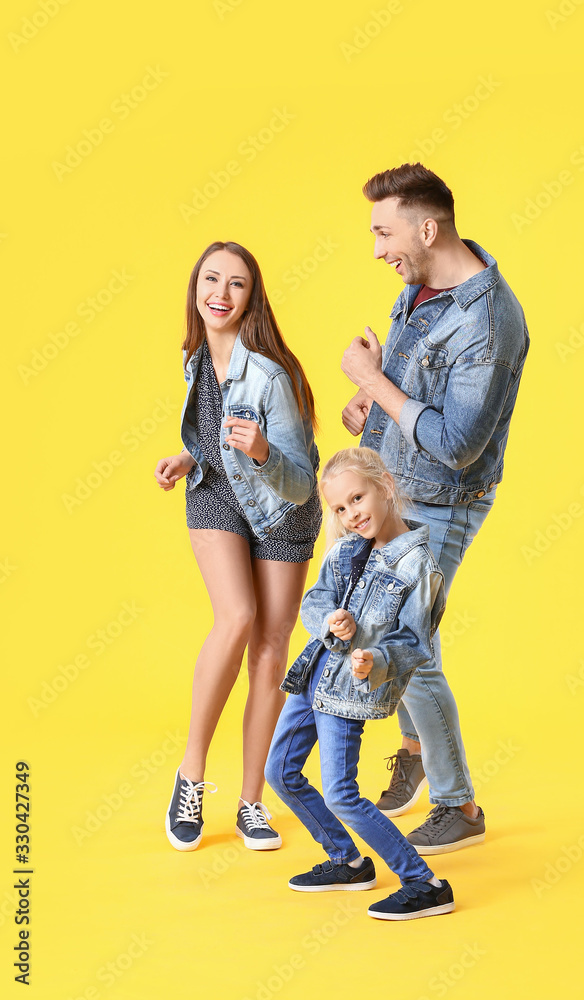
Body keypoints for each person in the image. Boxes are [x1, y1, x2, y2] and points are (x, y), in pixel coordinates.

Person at [340, 163, 529, 854]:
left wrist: (374, 383)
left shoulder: (490, 320)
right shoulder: (419, 284)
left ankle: (460, 806)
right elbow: (413, 389)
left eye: (383, 232)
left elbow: (454, 445)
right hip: (393, 482)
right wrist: (370, 396)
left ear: (427, 227)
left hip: (441, 500)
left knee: (404, 649)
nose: (376, 248)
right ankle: (419, 745)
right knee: (390, 633)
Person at [154, 240, 321, 852]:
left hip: (282, 507)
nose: (219, 295)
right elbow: (209, 439)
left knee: (271, 648)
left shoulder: (272, 375)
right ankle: (191, 776)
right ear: (195, 289)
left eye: (236, 285)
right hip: (216, 496)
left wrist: (262, 452)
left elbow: (302, 480)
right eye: (211, 281)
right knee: (237, 618)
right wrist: (188, 456)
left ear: (253, 298)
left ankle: (253, 800)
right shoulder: (193, 357)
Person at [265, 447, 454, 921]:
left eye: (357, 498)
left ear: (384, 485)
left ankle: (424, 883)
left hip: (349, 691)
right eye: (340, 508)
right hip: (314, 675)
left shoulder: (418, 567)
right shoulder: (345, 549)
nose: (352, 514)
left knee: (340, 793)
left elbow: (414, 641)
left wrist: (375, 658)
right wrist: (330, 620)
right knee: (281, 773)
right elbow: (314, 602)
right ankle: (347, 861)